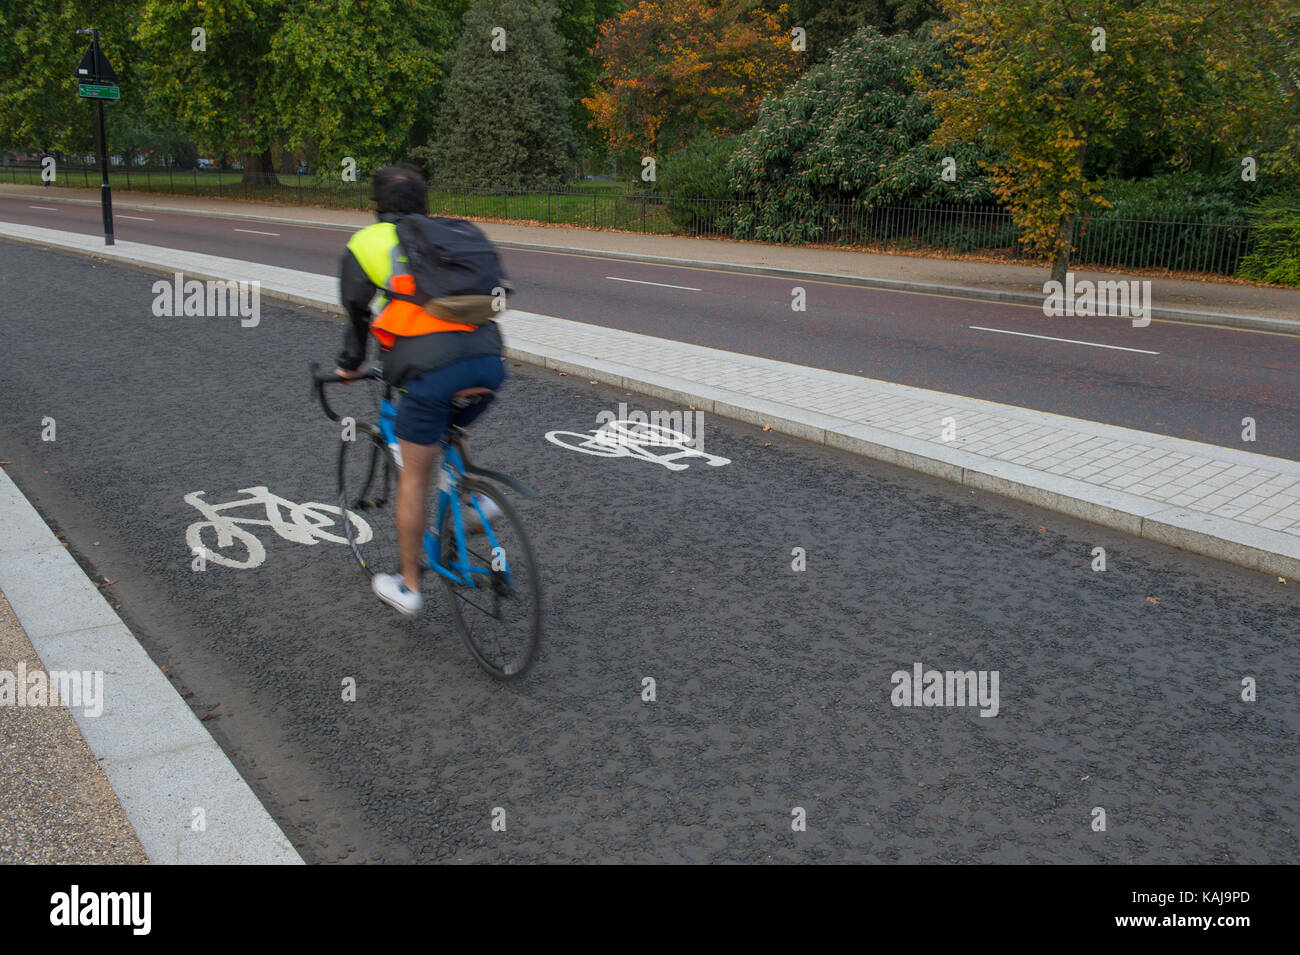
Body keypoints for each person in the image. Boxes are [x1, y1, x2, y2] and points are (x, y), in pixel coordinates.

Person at [334, 165, 506, 616]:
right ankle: (471, 501)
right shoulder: (447, 235)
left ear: (375, 206)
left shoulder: (367, 243)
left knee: (415, 473)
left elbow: (357, 311)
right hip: (488, 361)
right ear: (425, 203)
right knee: (448, 424)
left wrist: (351, 365)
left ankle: (408, 586)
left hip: (429, 369)